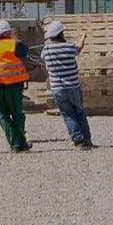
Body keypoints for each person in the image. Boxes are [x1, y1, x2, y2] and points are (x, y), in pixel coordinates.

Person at [41, 20, 94, 149]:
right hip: (73, 86)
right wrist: (83, 37)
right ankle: (86, 140)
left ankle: (78, 140)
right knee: (80, 112)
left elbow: (43, 57)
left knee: (68, 114)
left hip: (57, 89)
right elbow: (79, 47)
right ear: (61, 34)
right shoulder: (70, 47)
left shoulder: (46, 50)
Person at [0, 20, 32, 152]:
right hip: (13, 87)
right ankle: (21, 143)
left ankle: (14, 143)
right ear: (8, 32)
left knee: (3, 116)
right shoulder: (15, 44)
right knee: (17, 115)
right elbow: (24, 52)